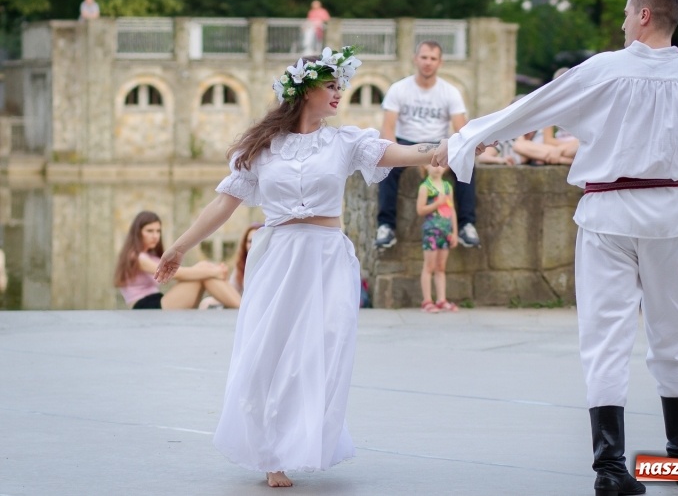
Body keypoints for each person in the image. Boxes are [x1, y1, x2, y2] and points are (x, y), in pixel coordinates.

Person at [437, 0, 678, 495]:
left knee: (605, 340)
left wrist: (465, 140)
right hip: (671, 215)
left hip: (607, 214)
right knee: (676, 334)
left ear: (646, 15)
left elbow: (534, 106)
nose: (623, 24)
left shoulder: (605, 68)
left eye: (628, 15)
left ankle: (610, 470)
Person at [153, 46, 448, 488]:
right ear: (304, 89)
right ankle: (271, 455)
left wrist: (446, 147)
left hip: (327, 257)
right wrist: (178, 247)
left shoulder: (347, 142)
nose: (338, 92)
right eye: (331, 85)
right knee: (267, 354)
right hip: (277, 256)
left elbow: (405, 152)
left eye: (339, 85)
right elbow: (223, 204)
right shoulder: (263, 148)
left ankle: (302, 441)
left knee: (317, 355)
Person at [375, 40, 481, 249]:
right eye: (424, 57)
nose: (428, 63)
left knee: (466, 163)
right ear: (416, 59)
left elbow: (461, 129)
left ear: (440, 63)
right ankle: (386, 227)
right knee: (386, 167)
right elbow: (388, 128)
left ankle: (466, 225)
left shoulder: (450, 92)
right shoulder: (399, 89)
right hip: (405, 142)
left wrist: (452, 156)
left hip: (437, 143)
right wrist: (397, 154)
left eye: (433, 58)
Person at [113, 211, 241, 310]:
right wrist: (214, 272)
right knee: (205, 270)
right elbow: (178, 274)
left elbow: (179, 276)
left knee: (204, 267)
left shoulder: (151, 256)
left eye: (158, 231)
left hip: (157, 301)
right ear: (138, 233)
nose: (155, 235)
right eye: (149, 231)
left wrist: (210, 270)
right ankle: (242, 307)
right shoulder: (136, 257)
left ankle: (241, 305)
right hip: (145, 307)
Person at [417, 164, 459, 312]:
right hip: (431, 231)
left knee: (441, 267)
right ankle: (427, 300)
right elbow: (420, 210)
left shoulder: (448, 187)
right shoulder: (425, 187)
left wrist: (454, 232)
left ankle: (442, 299)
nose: (437, 167)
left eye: (440, 164)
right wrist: (437, 204)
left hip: (445, 231)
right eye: (433, 164)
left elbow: (451, 209)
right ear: (425, 166)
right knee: (429, 267)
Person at [198, 222, 263, 309]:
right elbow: (232, 289)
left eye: (257, 240)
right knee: (206, 302)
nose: (253, 245)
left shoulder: (272, 265)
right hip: (243, 306)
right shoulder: (242, 265)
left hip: (260, 308)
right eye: (250, 241)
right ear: (245, 244)